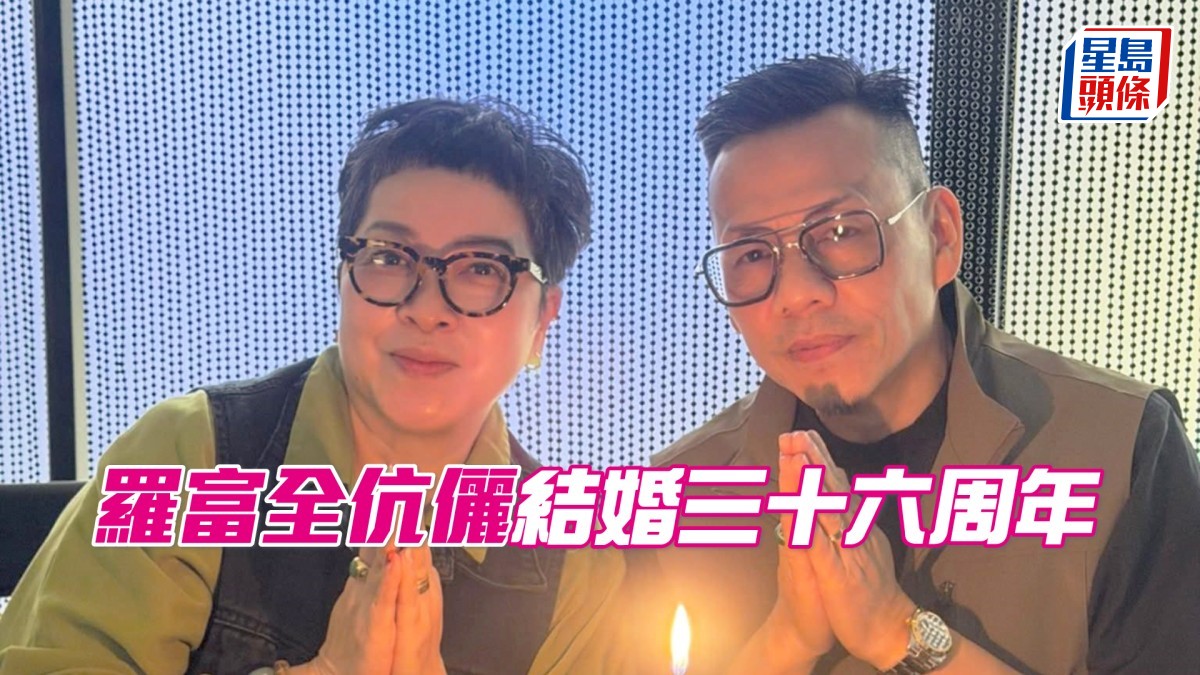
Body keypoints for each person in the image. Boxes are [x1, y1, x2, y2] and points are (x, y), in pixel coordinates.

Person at [0, 99, 622, 674]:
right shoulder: (190, 457)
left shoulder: (572, 563)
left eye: (482, 268)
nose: (427, 308)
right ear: (342, 274)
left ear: (543, 319)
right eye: (389, 256)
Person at [623, 55, 1200, 674]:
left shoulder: (1119, 445)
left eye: (840, 231)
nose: (796, 294)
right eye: (752, 255)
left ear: (940, 235)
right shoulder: (680, 497)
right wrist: (786, 640)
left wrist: (897, 632)